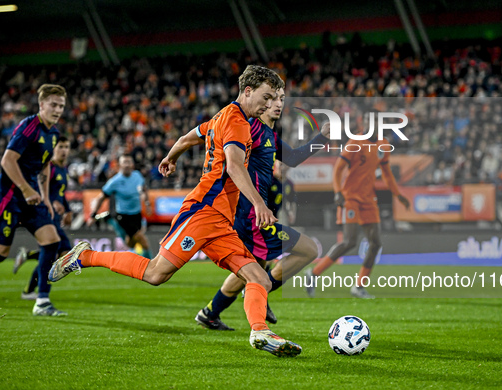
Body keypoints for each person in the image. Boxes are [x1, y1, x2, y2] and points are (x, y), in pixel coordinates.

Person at [49, 65, 300, 357]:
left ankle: (260, 332)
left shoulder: (222, 116)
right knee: (155, 274)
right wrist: (259, 203)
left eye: (275, 98)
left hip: (220, 221)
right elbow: (233, 165)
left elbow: (188, 138)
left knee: (260, 278)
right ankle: (85, 256)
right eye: (266, 97)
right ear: (247, 91)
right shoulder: (236, 122)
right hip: (202, 212)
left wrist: (171, 157)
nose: (271, 105)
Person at [193, 88, 329, 330]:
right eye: (273, 99)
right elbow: (222, 145)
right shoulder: (248, 127)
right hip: (249, 216)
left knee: (248, 269)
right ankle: (259, 292)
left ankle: (210, 313)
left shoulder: (270, 136)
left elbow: (294, 158)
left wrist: (322, 138)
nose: (278, 104)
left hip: (253, 215)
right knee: (308, 249)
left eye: (282, 100)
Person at [0, 84, 67, 316]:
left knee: (52, 242)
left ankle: (42, 301)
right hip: (9, 196)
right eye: (53, 105)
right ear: (41, 104)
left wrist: (44, 197)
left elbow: (44, 166)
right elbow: (7, 161)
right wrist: (25, 189)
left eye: (61, 106)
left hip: (32, 197)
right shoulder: (29, 127)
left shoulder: (53, 134)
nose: (57, 110)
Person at [307, 134, 410, 298]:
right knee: (349, 242)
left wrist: (398, 194)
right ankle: (313, 273)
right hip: (351, 198)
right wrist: (337, 192)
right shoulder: (355, 142)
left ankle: (359, 286)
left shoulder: (383, 145)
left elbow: (387, 173)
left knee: (375, 243)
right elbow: (338, 168)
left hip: (368, 199)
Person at [13, 137, 73, 300]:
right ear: (54, 148)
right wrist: (50, 202)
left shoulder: (63, 169)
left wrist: (67, 210)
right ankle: (33, 291)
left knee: (62, 254)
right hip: (48, 216)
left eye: (66, 147)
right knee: (58, 253)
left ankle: (29, 261)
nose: (64, 150)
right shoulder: (49, 168)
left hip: (56, 216)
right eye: (61, 146)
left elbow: (61, 194)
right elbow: (40, 189)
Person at [87, 154, 152, 258]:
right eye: (124, 162)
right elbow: (101, 197)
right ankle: (151, 265)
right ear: (120, 165)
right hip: (123, 215)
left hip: (136, 214)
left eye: (128, 162)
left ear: (132, 164)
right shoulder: (114, 181)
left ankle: (132, 255)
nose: (127, 165)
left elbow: (144, 189)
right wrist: (93, 214)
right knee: (143, 241)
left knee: (131, 242)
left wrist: (147, 203)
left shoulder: (137, 175)